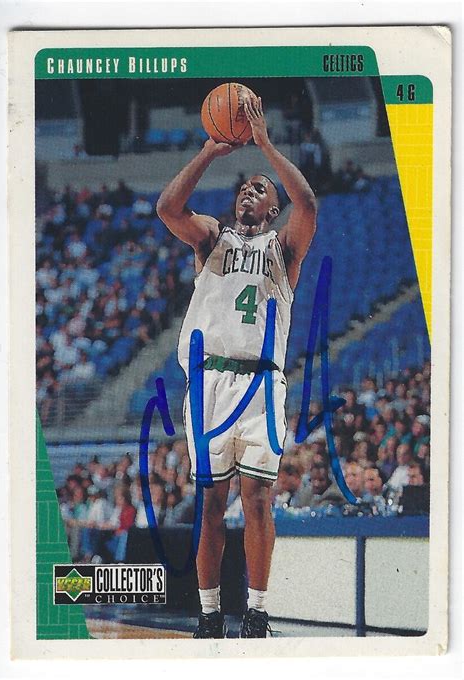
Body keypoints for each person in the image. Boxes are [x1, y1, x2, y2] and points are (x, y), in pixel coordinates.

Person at [157, 95, 316, 638]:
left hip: (262, 383)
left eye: (261, 189)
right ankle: (208, 614)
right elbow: (168, 209)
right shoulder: (211, 237)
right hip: (210, 382)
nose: (250, 190)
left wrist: (265, 144)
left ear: (272, 210)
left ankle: (257, 610)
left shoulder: (284, 248)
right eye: (245, 186)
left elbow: (307, 203)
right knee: (210, 503)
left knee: (258, 500)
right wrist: (209, 150)